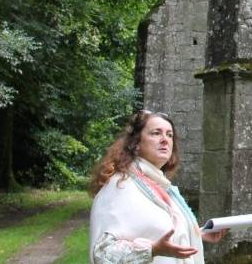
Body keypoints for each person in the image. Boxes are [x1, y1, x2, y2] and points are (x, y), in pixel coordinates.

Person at [88, 110, 226, 263]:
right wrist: (152, 250)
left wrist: (196, 233)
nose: (165, 140)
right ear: (135, 144)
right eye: (156, 133)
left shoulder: (161, 187)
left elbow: (155, 230)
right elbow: (102, 253)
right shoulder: (119, 186)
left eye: (169, 135)